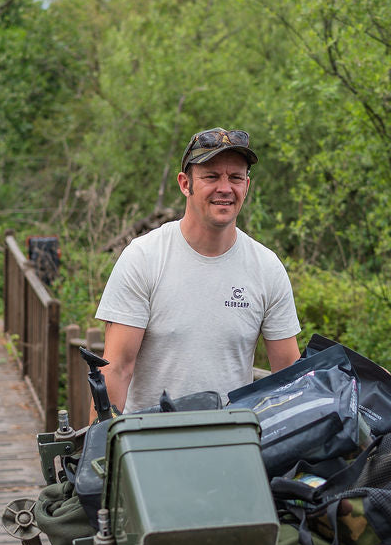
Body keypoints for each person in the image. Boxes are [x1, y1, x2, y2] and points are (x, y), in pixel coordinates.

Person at [96, 127, 301, 413]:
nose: (225, 188)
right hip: (149, 447)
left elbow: (288, 379)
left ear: (247, 186)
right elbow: (115, 370)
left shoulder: (267, 268)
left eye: (236, 178)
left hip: (232, 445)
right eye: (211, 177)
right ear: (185, 184)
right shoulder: (143, 258)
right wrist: (98, 451)